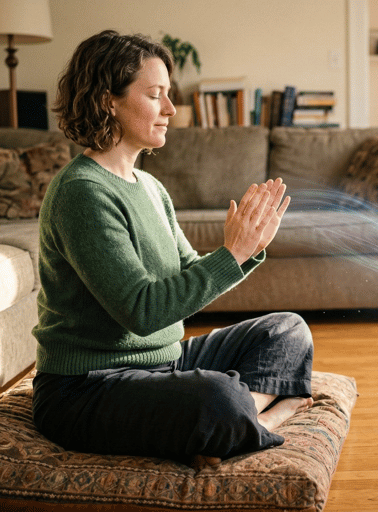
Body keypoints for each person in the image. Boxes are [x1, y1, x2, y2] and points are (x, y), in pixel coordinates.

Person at [31, 30, 313, 470]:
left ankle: (236, 417)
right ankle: (269, 413)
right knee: (215, 396)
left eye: (169, 95)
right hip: (85, 386)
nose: (170, 109)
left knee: (286, 331)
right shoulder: (82, 193)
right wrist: (231, 254)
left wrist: (246, 248)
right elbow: (142, 312)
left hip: (164, 363)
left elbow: (188, 274)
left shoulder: (151, 188)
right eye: (155, 95)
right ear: (109, 100)